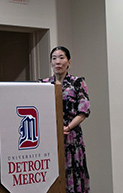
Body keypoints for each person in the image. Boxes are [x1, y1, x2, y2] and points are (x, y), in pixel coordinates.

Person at [40, 46, 90, 193]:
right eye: (54, 58)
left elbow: (84, 110)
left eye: (61, 58)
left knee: (73, 176)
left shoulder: (77, 82)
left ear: (69, 62)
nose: (58, 62)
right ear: (50, 62)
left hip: (71, 136)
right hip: (50, 137)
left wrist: (67, 128)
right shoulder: (43, 84)